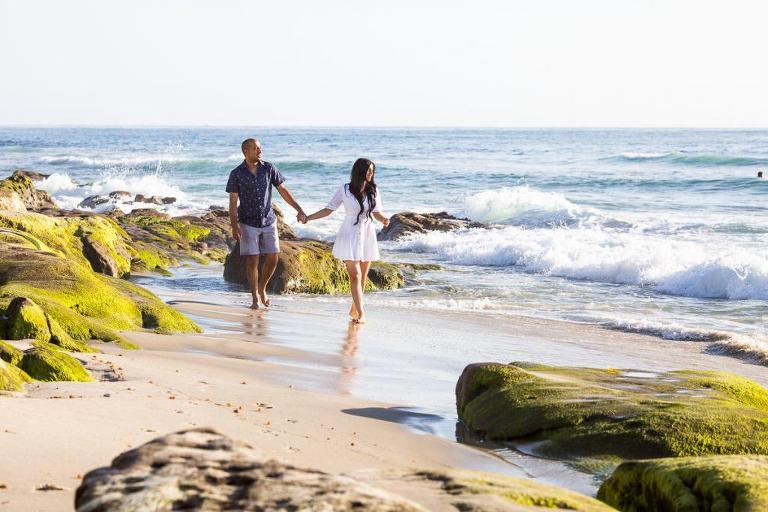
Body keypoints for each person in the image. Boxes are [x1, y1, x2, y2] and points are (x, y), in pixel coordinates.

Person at [303, 158, 389, 323]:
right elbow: (329, 209)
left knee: (362, 276)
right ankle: (362, 314)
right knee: (355, 274)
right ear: (360, 171)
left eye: (372, 171)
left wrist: (384, 220)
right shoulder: (345, 189)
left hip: (367, 234)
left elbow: (376, 212)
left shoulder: (374, 190)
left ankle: (354, 309)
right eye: (368, 170)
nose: (371, 174)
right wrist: (308, 218)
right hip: (349, 233)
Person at [226, 138, 306, 309]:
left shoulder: (269, 168)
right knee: (252, 261)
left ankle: (262, 288)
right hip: (247, 223)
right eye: (256, 148)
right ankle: (254, 296)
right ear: (246, 152)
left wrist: (298, 209)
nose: (260, 151)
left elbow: (283, 191)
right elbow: (233, 202)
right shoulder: (236, 174)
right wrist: (234, 226)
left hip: (268, 220)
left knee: (273, 257)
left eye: (260, 148)